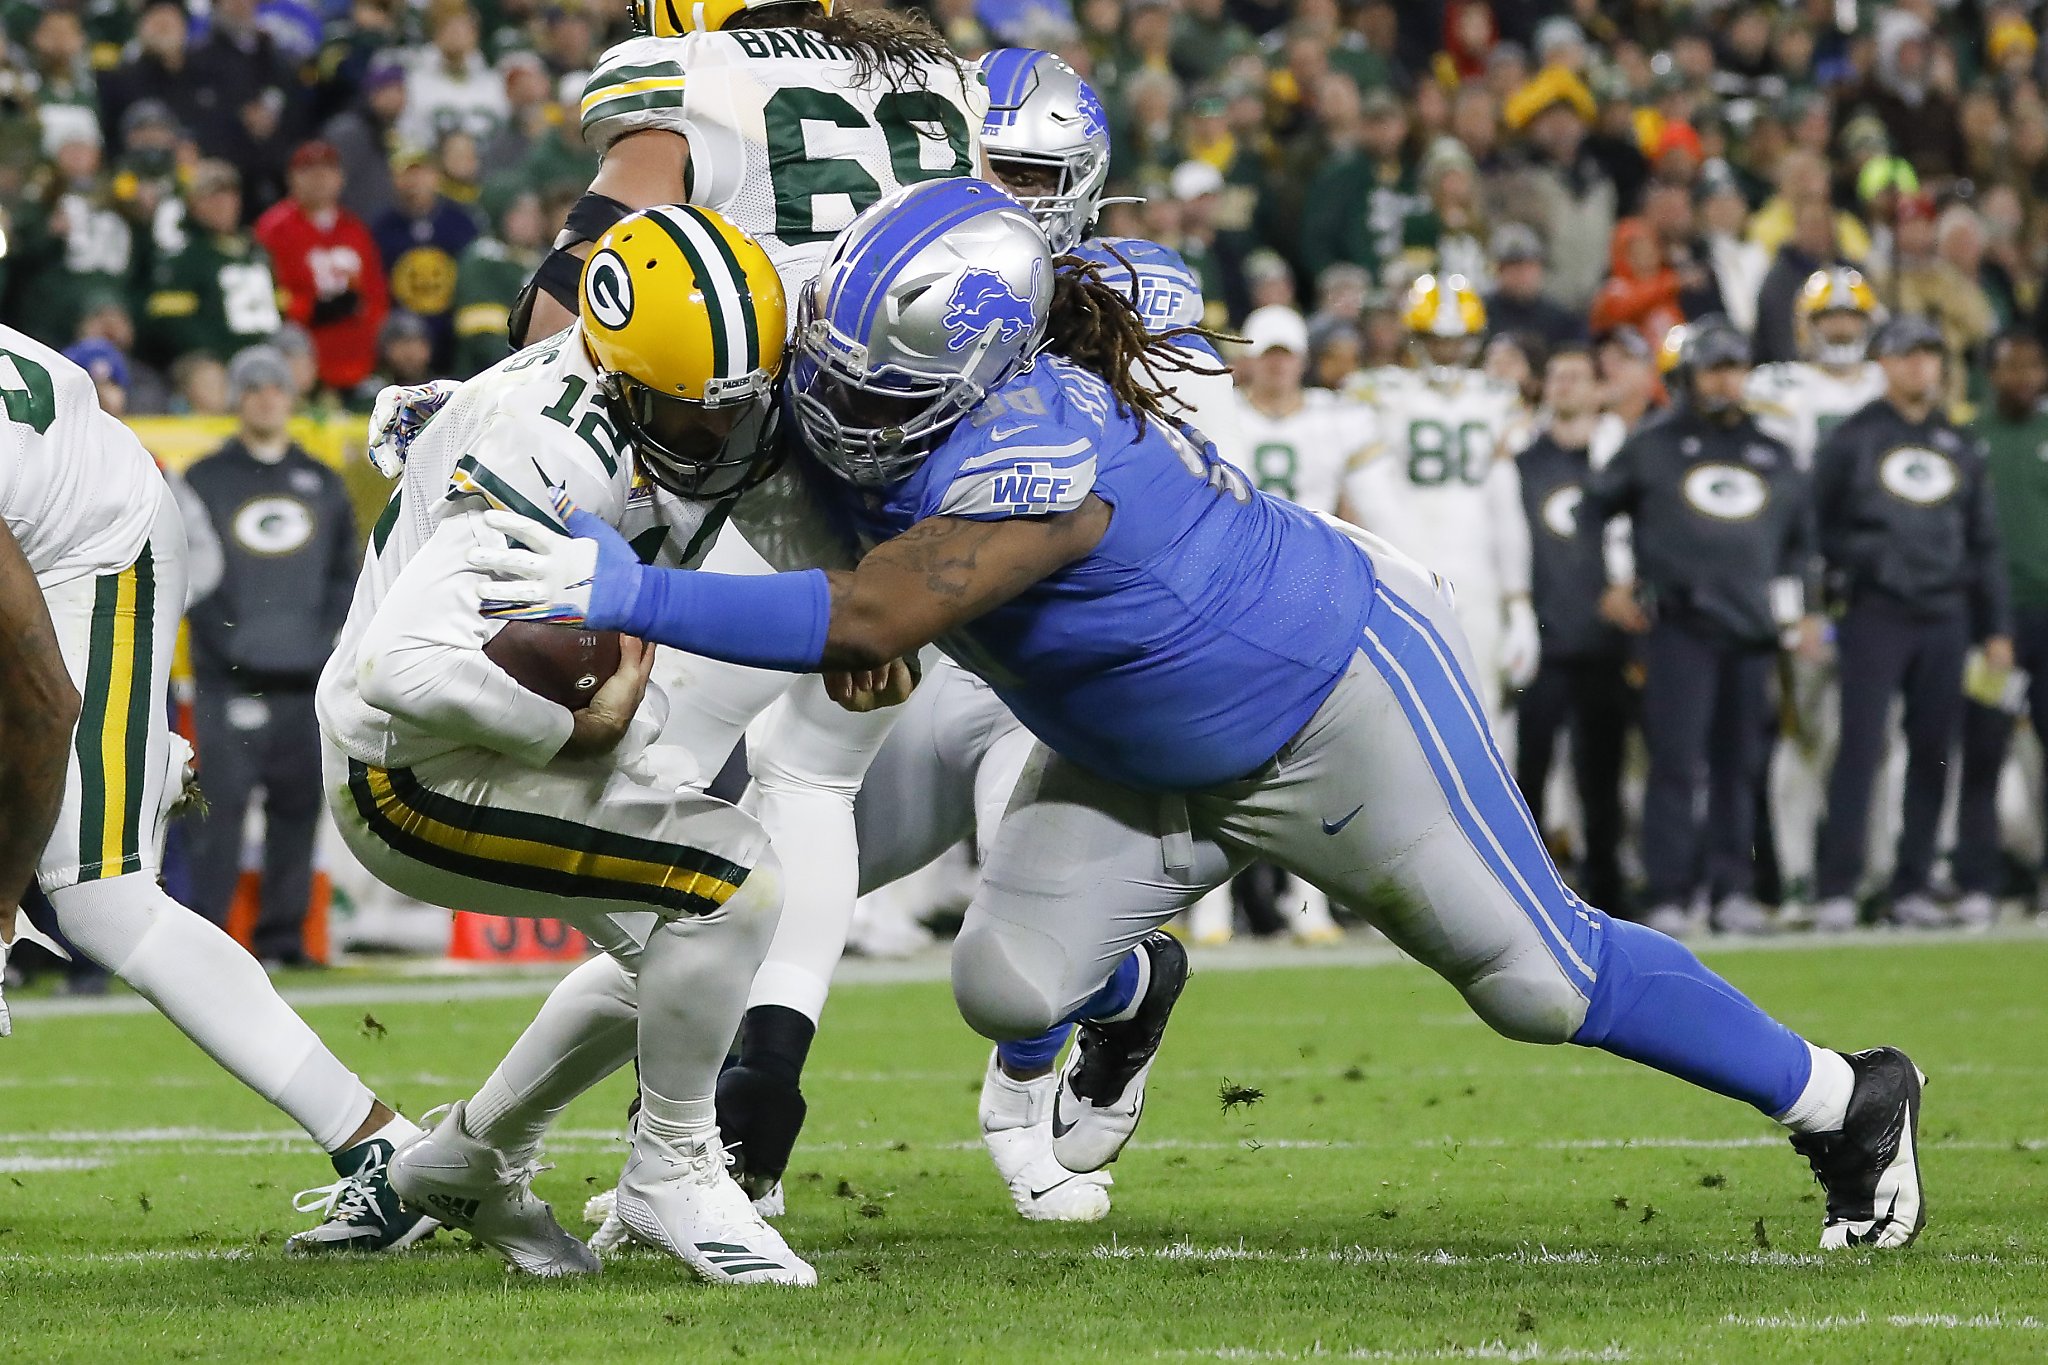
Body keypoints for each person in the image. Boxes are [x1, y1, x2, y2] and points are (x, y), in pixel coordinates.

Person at [475, 179, 1931, 1254]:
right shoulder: (871, 359)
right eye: (841, 363)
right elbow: (837, 554)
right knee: (1008, 987)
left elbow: (872, 614)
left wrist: (638, 590)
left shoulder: (1046, 433)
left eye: (883, 381)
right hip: (1128, 759)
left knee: (1539, 985)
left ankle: (1842, 1099)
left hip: (1329, 703)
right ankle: (1140, 988)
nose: (843, 397)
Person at [326, 204, 828, 1284]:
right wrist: (576, 728)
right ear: (625, 378)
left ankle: (464, 1161)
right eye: (700, 415)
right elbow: (401, 666)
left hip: (474, 744)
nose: (727, 434)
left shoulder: (671, 379)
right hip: (408, 766)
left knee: (691, 949)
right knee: (730, 879)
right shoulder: (543, 447)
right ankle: (673, 1172)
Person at [0, 322, 431, 1251]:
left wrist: (2, 899)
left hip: (95, 554)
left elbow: (41, 699)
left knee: (103, 899)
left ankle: (382, 1150)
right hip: (36, 533)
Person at [1583, 318, 1821, 938]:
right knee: (1675, 764)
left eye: (1734, 368)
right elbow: (1595, 509)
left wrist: (1798, 609)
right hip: (1679, 626)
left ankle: (1731, 891)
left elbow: (1799, 541)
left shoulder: (1772, 449)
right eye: (1714, 369)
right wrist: (1612, 580)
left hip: (1752, 631)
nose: (1725, 381)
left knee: (1741, 766)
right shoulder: (1653, 443)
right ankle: (1668, 893)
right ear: (1688, 376)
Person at [1811, 315, 2012, 931]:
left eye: (1930, 354)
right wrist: (1822, 605)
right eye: (1908, 355)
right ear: (1885, 364)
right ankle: (1838, 885)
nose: (1921, 366)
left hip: (1945, 614)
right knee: (1860, 749)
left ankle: (1912, 884)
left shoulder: (1958, 444)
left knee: (1933, 753)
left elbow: (1984, 541)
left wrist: (1995, 627)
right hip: (1876, 611)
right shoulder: (1852, 439)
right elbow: (1817, 529)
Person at [181, 347, 360, 966]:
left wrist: (322, 642)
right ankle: (202, 946)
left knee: (298, 814)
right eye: (251, 385)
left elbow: (347, 575)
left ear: (292, 396)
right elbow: (189, 577)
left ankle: (284, 941)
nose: (264, 396)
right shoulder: (204, 479)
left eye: (275, 385)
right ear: (236, 396)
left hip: (305, 683)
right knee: (216, 818)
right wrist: (225, 644)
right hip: (227, 683)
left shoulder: (323, 483)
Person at [1744, 268, 1888, 919]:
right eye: (1829, 319)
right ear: (1806, 326)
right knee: (1800, 732)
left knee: (1878, 736)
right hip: (1805, 580)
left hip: (1878, 581)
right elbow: (1772, 497)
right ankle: (1800, 874)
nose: (1840, 330)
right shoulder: (1779, 388)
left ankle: (1875, 871)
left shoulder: (1889, 384)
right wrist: (1787, 598)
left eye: (1850, 319)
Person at [1341, 274, 1539, 727]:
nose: (1447, 352)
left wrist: (1519, 604)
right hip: (1406, 563)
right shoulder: (1378, 392)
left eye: (1457, 342)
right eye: (1437, 340)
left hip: (1477, 569)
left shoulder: (1498, 399)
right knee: (1399, 714)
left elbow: (1507, 508)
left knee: (1484, 710)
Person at [1514, 343, 1630, 914]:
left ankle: (1608, 892)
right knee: (1527, 772)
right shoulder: (1522, 460)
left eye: (1576, 375)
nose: (1563, 385)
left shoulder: (1616, 462)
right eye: (1555, 374)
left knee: (1602, 777)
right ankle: (1529, 895)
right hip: (1542, 637)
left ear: (1599, 390)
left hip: (1604, 642)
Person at [1955, 330, 2048, 927]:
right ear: (1990, 374)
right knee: (1983, 753)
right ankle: (1977, 882)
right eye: (2010, 366)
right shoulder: (1969, 441)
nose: (2021, 376)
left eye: (2031, 365)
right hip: (1989, 625)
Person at [255, 140, 389, 396]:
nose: (319, 178)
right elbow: (262, 296)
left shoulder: (355, 230)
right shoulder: (272, 229)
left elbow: (377, 294)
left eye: (327, 170)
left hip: (358, 356)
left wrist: (365, 319)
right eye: (309, 171)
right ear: (291, 178)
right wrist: (311, 309)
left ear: (340, 178)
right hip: (301, 358)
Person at [138, 161, 284, 369]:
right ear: (193, 203)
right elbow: (173, 324)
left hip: (267, 356)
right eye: (212, 197)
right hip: (215, 363)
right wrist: (222, 354)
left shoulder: (255, 251)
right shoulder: (184, 256)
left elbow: (279, 306)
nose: (222, 204)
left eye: (229, 195)